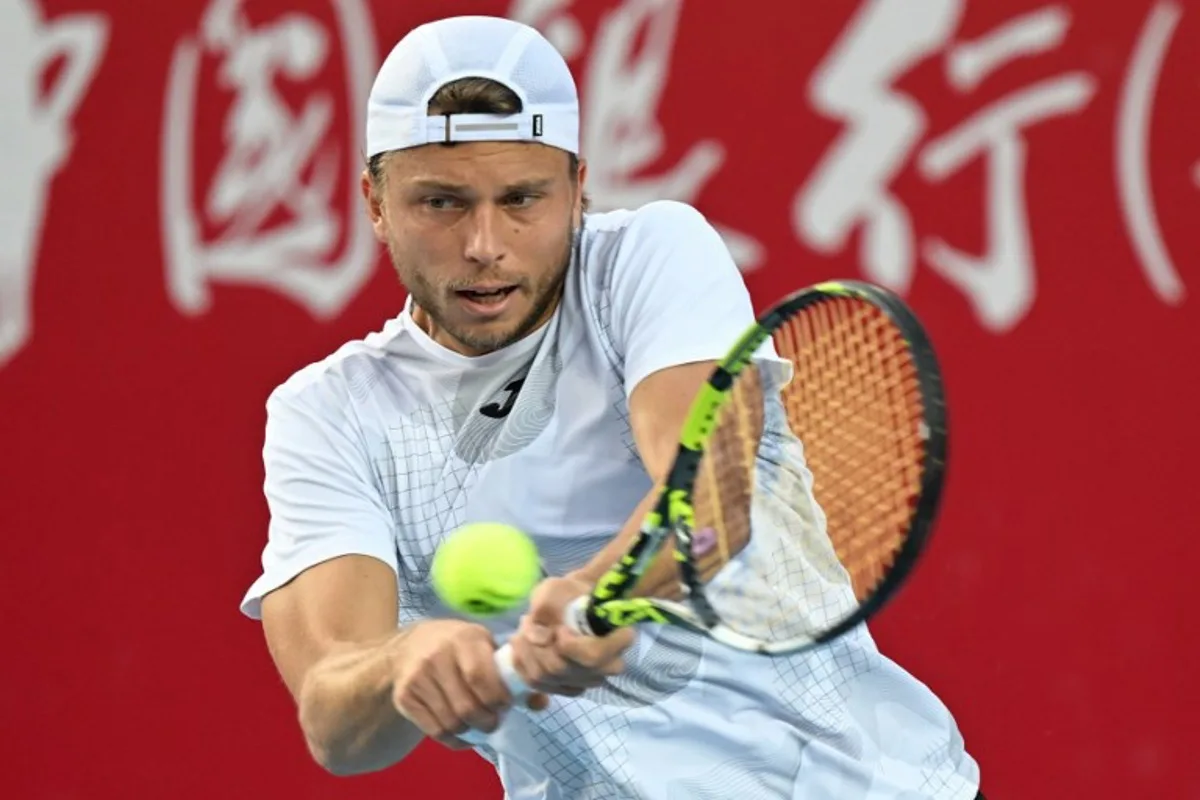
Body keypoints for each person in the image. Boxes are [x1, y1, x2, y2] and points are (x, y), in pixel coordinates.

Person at [239, 14, 983, 800]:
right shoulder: (329, 415)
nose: (485, 243)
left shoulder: (649, 258)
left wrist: (603, 592)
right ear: (376, 201)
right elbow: (332, 713)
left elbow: (712, 496)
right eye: (441, 204)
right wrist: (402, 662)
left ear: (578, 189)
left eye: (523, 198)